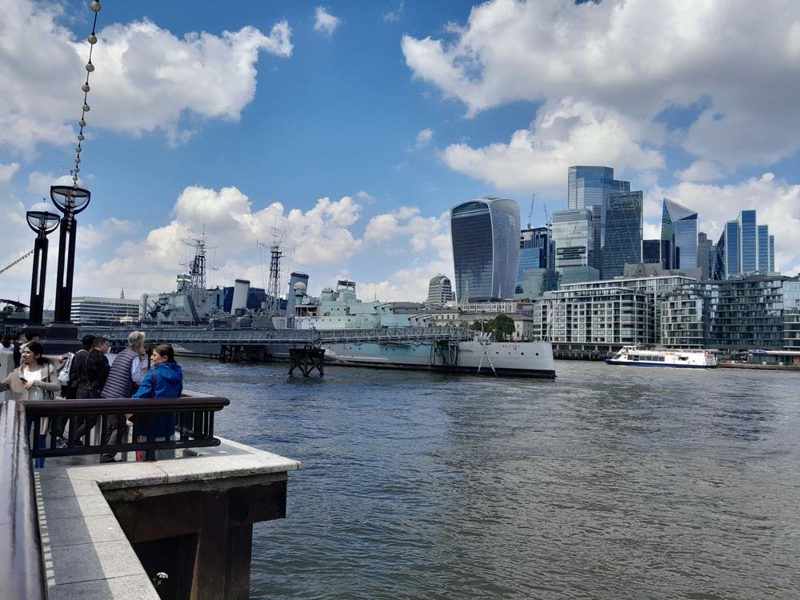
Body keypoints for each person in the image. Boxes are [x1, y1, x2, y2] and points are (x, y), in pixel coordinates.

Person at [0, 341, 61, 467]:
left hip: (42, 410)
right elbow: (4, 385)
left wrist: (36, 383)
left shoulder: (48, 369)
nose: (24, 355)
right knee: (22, 440)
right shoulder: (17, 372)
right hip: (23, 410)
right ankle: (23, 467)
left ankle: (40, 467)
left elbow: (56, 387)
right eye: (23, 352)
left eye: (28, 352)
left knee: (41, 440)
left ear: (37, 355)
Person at [98, 331, 146, 462]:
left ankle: (102, 453)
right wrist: (142, 361)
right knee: (120, 426)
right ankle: (107, 456)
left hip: (107, 394)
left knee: (109, 426)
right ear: (140, 343)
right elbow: (135, 377)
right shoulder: (134, 357)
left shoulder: (122, 353)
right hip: (118, 396)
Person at [133, 344, 183, 460]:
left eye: (154, 355)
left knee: (147, 457)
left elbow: (139, 398)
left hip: (149, 423)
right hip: (168, 423)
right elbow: (178, 393)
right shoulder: (178, 375)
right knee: (166, 457)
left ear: (164, 358)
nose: (151, 357)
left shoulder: (153, 375)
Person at [69, 336, 110, 446]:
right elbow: (105, 376)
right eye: (107, 345)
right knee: (92, 419)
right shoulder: (102, 358)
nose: (108, 348)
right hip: (92, 391)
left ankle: (74, 440)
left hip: (81, 389)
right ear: (101, 345)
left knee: (79, 417)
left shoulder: (85, 355)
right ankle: (74, 438)